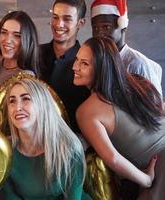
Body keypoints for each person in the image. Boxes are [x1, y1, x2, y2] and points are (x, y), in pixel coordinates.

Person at [73, 36, 165, 200]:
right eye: (77, 60)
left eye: (84, 63)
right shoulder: (138, 82)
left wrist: (147, 180)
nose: (75, 67)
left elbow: (113, 159)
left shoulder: (86, 112)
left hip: (159, 170)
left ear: (101, 68)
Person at [0, 78, 90, 199]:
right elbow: (10, 197)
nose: (17, 108)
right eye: (12, 101)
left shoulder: (69, 147)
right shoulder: (4, 150)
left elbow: (74, 197)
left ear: (42, 104)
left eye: (26, 99)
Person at [90, 0, 163, 97]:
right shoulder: (98, 60)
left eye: (106, 27)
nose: (99, 33)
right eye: (95, 28)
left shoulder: (137, 64)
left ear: (123, 27)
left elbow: (153, 108)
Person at [40, 0, 90, 133]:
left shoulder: (89, 63)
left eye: (67, 19)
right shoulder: (34, 54)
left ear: (81, 23)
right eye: (55, 17)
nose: (58, 24)